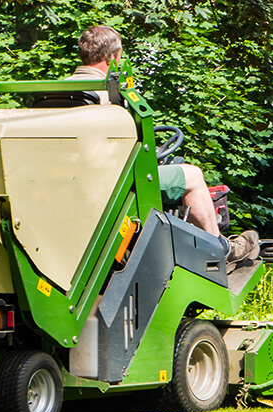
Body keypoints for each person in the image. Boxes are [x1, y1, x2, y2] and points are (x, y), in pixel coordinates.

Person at [70, 25, 259, 268]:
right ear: (112, 57)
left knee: (174, 167)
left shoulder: (57, 91)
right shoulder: (106, 96)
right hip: (111, 184)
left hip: (75, 180)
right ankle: (220, 247)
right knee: (191, 175)